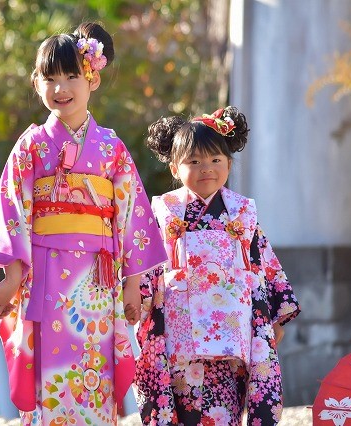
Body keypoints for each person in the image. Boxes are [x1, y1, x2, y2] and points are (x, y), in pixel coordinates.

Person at [0, 21, 167, 425]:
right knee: (50, 373)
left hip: (96, 280)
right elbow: (13, 212)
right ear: (36, 83)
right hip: (44, 272)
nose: (61, 87)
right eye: (50, 78)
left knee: (94, 374)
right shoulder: (30, 146)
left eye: (71, 76)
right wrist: (12, 279)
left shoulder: (111, 147)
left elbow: (133, 214)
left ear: (91, 78)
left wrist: (133, 285)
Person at [133, 106, 301, 425]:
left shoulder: (242, 212)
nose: (205, 168)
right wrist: (136, 299)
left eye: (215, 160)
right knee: (179, 405)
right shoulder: (164, 211)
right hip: (176, 330)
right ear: (174, 167)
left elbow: (261, 263)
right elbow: (147, 264)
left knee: (223, 407)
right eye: (193, 161)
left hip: (232, 327)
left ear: (229, 163)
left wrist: (273, 317)